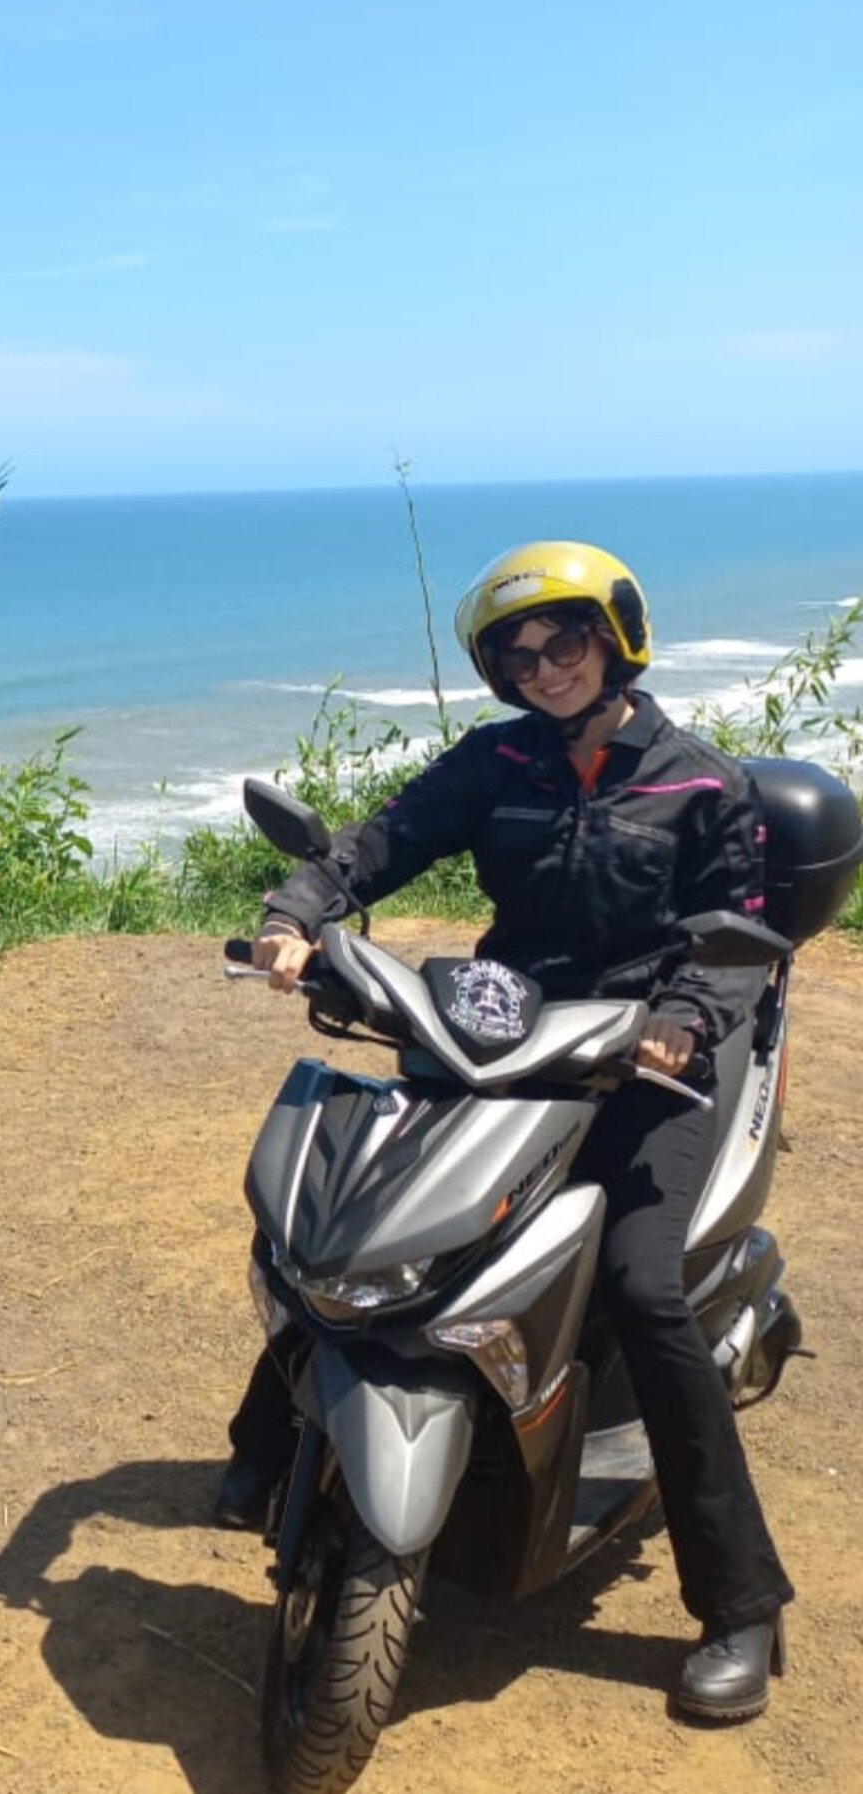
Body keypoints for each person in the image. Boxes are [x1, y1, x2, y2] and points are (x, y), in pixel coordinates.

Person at [211, 541, 793, 1721]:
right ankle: (268, 1439)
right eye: (516, 656)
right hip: (505, 1030)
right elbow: (378, 843)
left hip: (642, 1060)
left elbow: (735, 933)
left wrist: (681, 1023)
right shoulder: (498, 761)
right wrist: (295, 915)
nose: (543, 667)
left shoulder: (702, 784)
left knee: (641, 1284)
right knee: (361, 1216)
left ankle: (739, 1603)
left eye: (564, 641)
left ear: (616, 640)